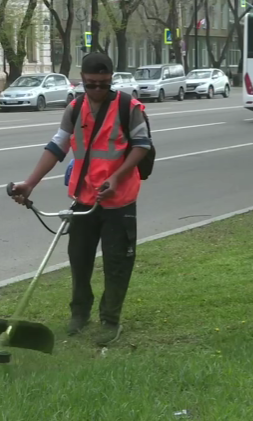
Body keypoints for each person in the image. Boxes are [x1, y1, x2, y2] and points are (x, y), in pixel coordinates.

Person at [10, 52, 151, 345]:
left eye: (103, 84)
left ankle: (110, 320)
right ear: (82, 82)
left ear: (111, 79)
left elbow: (142, 146)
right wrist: (30, 183)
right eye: (91, 84)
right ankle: (80, 313)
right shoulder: (75, 109)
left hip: (119, 200)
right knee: (79, 259)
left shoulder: (129, 107)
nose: (97, 90)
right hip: (84, 199)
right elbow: (57, 146)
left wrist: (116, 176)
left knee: (116, 263)